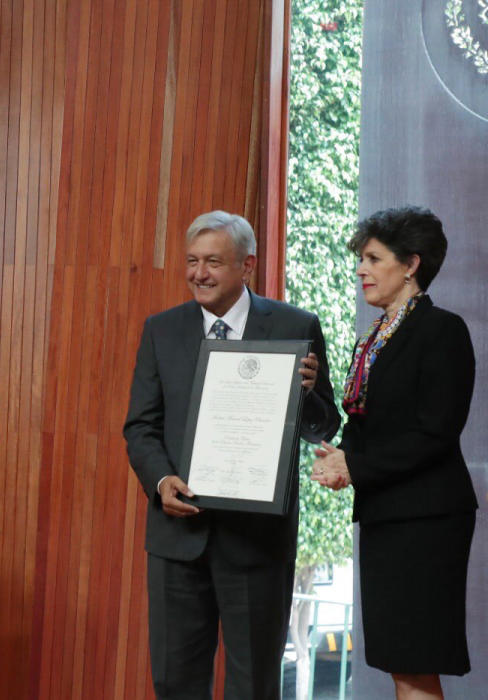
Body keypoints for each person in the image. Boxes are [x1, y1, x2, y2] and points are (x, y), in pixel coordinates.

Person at [124, 210, 340, 699]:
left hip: (257, 541)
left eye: (213, 262)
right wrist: (161, 483)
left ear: (247, 266)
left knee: (255, 685)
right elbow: (140, 427)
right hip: (178, 539)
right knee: (175, 682)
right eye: (192, 261)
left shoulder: (295, 324)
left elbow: (324, 425)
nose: (199, 273)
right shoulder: (162, 329)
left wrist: (305, 394)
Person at [312, 206, 477, 700]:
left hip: (426, 519)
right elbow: (368, 424)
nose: (360, 269)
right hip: (388, 515)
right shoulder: (374, 338)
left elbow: (436, 434)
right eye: (361, 258)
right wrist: (340, 458)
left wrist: (356, 465)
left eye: (372, 258)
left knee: (414, 660)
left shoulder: (442, 330)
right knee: (397, 661)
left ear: (411, 265)